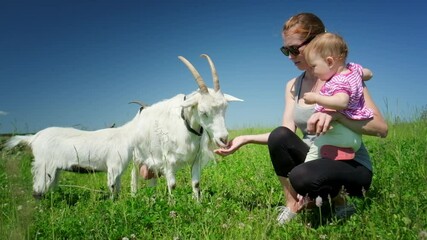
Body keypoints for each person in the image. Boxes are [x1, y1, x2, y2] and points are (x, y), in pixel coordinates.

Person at [215, 13, 388, 224]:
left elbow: (381, 128)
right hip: (314, 158)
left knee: (302, 177)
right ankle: (292, 205)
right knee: (279, 136)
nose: (290, 55)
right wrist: (245, 138)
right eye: (285, 50)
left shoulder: (345, 76)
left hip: (350, 164)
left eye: (295, 49)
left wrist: (336, 114)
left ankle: (342, 203)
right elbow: (286, 133)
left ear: (317, 41)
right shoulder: (293, 86)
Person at [301, 32, 374, 162]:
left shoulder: (338, 81)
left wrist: (316, 98)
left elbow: (342, 102)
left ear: (329, 62)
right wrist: (361, 76)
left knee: (313, 153)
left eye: (314, 66)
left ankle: (310, 166)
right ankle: (342, 152)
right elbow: (369, 73)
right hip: (354, 134)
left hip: (339, 134)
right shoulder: (353, 70)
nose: (312, 71)